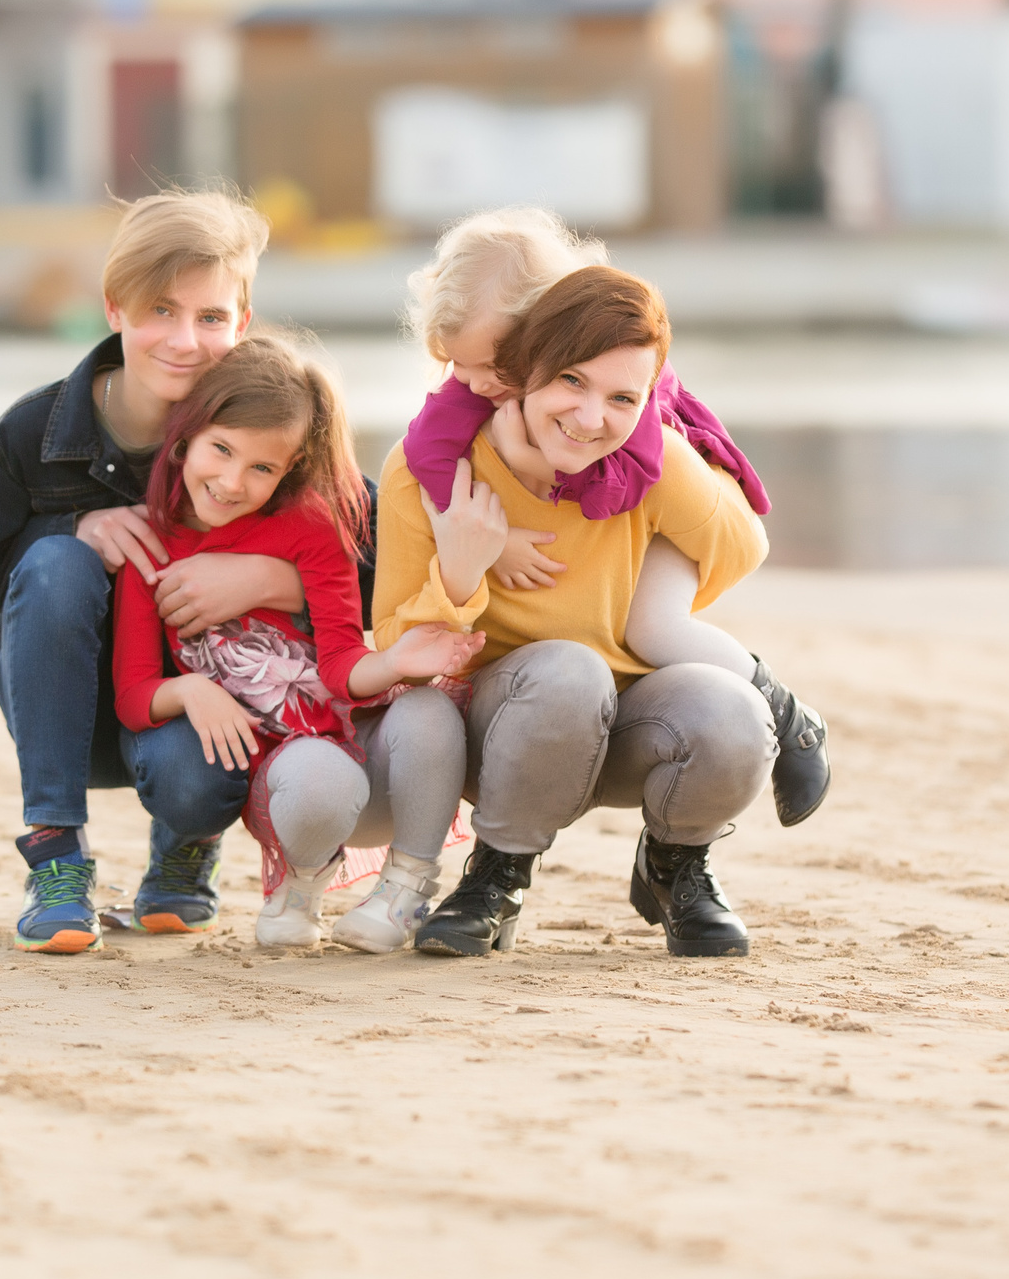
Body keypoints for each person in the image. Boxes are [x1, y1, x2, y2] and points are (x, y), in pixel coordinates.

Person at [0, 192, 325, 955]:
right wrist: (72, 528)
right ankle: (56, 857)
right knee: (55, 564)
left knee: (201, 779)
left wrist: (263, 581)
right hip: (65, 715)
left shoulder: (270, 423)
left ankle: (184, 848)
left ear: (242, 321)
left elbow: (372, 566)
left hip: (196, 715)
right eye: (160, 311)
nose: (186, 340)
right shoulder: (34, 432)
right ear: (115, 309)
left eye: (211, 317)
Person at [373, 266, 776, 958]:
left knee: (736, 709)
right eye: (571, 382)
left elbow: (742, 546)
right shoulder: (428, 471)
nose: (591, 419)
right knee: (568, 670)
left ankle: (676, 864)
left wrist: (654, 575)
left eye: (624, 396)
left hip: (624, 724)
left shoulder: (647, 462)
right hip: (499, 734)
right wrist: (466, 568)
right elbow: (396, 643)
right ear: (524, 369)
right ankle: (498, 875)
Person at [399, 208, 829, 824]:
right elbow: (425, 450)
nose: (469, 383)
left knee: (654, 630)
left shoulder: (618, 383)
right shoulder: (477, 386)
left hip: (673, 487)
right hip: (596, 560)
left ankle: (791, 719)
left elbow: (624, 480)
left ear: (547, 331)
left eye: (488, 366)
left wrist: (538, 468)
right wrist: (484, 533)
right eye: (453, 364)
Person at [109, 336, 480, 951]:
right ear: (185, 436)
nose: (231, 482)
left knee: (430, 709)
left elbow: (338, 666)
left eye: (261, 468)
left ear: (290, 468)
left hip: (365, 752)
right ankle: (302, 884)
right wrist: (192, 690)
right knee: (318, 778)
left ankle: (404, 891)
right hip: (287, 778)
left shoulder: (312, 524)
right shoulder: (148, 545)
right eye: (221, 450)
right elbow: (132, 693)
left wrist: (392, 662)